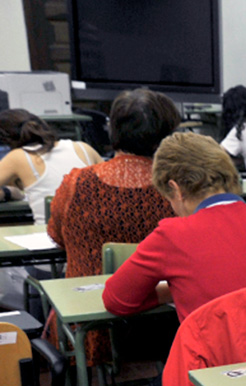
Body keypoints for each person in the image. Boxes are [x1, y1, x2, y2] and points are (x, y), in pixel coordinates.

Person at [103, 132, 246, 323]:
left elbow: (116, 299)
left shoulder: (172, 235)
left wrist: (169, 292)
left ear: (174, 189)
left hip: (209, 362)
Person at [49, 88, 180, 279]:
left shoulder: (77, 183)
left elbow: (57, 236)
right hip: (159, 299)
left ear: (112, 129)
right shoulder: (179, 189)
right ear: (167, 135)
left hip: (83, 300)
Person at [0, 109, 101, 225]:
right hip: (97, 236)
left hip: (49, 238)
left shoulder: (18, 157)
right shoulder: (84, 148)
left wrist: (7, 192)